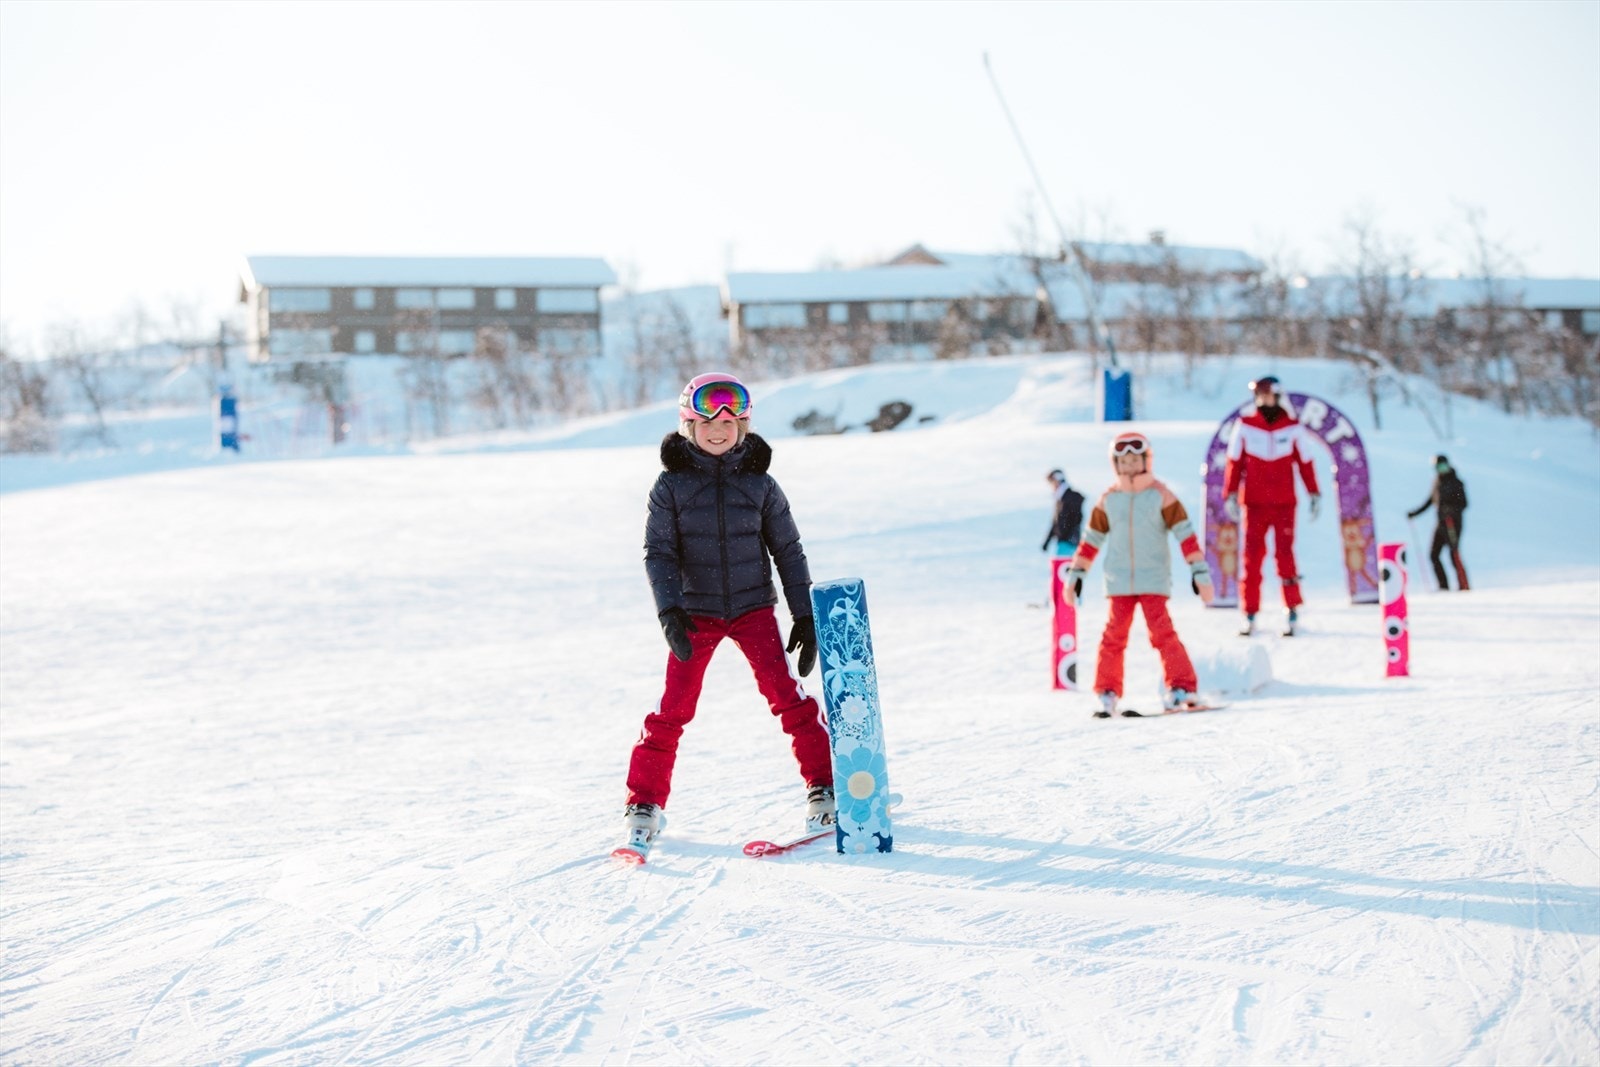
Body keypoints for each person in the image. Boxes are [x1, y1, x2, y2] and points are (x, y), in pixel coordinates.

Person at [620, 373, 834, 861]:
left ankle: (825, 788)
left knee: (789, 699)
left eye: (731, 422)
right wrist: (670, 610)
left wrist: (803, 614)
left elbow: (788, 549)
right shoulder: (670, 486)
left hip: (753, 608)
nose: (720, 430)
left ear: (743, 426)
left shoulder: (760, 483)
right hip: (696, 615)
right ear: (688, 426)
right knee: (673, 709)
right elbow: (659, 552)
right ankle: (644, 804)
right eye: (708, 422)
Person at [1068, 431, 1214, 718]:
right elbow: (1092, 539)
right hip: (1118, 580)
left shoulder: (1161, 495)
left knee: (1162, 634)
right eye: (1123, 462)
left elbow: (1185, 534)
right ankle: (1107, 693)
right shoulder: (1109, 499)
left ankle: (1182, 687)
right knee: (1113, 636)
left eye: (1135, 460)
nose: (1129, 467)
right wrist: (1077, 573)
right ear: (1115, 465)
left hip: (1153, 578)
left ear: (1146, 461)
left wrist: (1198, 570)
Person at [1223, 375, 1321, 636]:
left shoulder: (1292, 427)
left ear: (1277, 396)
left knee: (1285, 556)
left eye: (1267, 395)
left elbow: (1305, 462)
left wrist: (1314, 492)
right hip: (1254, 504)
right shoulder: (1244, 425)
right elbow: (1234, 462)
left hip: (1284, 504)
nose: (1263, 401)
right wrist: (1230, 493)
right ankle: (1250, 612)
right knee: (1252, 559)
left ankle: (1291, 609)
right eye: (1259, 396)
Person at [1408, 453, 1470, 591]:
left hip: (1453, 523)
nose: (1440, 470)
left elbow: (1464, 503)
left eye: (1443, 466)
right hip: (1441, 523)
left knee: (1454, 554)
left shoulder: (1456, 482)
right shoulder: (1437, 482)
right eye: (1438, 467)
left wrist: (1451, 510)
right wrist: (1415, 513)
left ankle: (1464, 585)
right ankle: (1443, 586)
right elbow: (1430, 500)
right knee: (1433, 554)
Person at [1041, 468, 1085, 557]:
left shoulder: (1072, 497)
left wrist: (1071, 537)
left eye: (1052, 481)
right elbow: (1055, 522)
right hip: (1061, 541)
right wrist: (1047, 541)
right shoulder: (1059, 499)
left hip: (1070, 543)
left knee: (1066, 568)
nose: (1051, 485)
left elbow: (1077, 518)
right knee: (1059, 567)